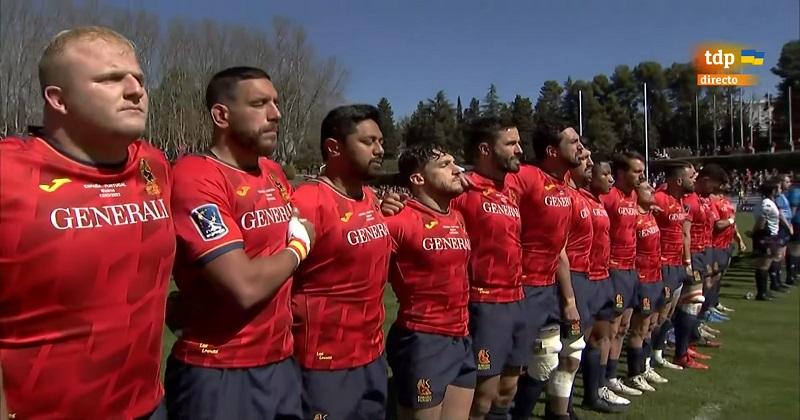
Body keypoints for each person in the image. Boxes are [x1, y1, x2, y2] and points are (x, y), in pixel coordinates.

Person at [0, 26, 174, 419]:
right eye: (111, 79)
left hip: (149, 406)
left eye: (139, 79)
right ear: (58, 100)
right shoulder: (8, 172)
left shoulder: (155, 166)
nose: (136, 90)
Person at [166, 67, 314, 419]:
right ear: (221, 115)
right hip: (221, 369)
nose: (276, 114)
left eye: (276, 103)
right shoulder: (196, 176)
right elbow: (243, 285)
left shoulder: (274, 173)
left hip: (281, 363)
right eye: (260, 103)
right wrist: (300, 247)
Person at [291, 104, 392, 419]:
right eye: (369, 141)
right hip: (323, 365)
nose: (380, 149)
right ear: (333, 147)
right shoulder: (308, 201)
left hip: (373, 356)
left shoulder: (371, 198)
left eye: (380, 141)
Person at [385, 144, 475, 420]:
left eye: (455, 162)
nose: (457, 169)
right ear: (417, 179)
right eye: (446, 164)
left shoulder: (457, 217)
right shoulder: (397, 219)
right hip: (422, 339)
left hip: (462, 336)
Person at [451, 117, 527, 420]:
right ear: (485, 149)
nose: (519, 149)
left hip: (518, 300)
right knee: (481, 396)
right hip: (485, 304)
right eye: (510, 144)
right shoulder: (462, 189)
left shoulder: (510, 189)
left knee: (508, 389)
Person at [510, 123, 583, 420]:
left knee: (544, 362)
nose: (581, 147)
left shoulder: (565, 187)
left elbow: (560, 250)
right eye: (574, 141)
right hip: (518, 289)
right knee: (507, 370)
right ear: (553, 151)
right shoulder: (526, 177)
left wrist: (569, 301)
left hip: (548, 289)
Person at [580, 161, 632, 411]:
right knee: (575, 345)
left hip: (604, 277)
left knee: (600, 337)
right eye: (606, 174)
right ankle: (562, 404)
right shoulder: (580, 199)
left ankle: (595, 391)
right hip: (586, 278)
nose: (610, 179)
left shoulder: (599, 201)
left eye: (612, 174)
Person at [601, 152, 646, 397]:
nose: (641, 176)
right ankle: (603, 379)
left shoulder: (634, 195)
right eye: (636, 171)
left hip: (631, 269)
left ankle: (612, 376)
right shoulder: (609, 197)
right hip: (614, 269)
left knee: (623, 326)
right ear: (621, 173)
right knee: (611, 327)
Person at [651, 161, 695, 370]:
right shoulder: (659, 198)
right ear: (679, 180)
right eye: (689, 177)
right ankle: (647, 359)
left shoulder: (680, 202)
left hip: (677, 265)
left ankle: (657, 353)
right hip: (663, 265)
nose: (692, 181)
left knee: (668, 313)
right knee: (657, 314)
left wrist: (686, 262)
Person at [627, 181, 669, 391]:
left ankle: (645, 366)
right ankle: (634, 373)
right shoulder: (632, 217)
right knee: (639, 328)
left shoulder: (651, 214)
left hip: (656, 277)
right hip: (642, 279)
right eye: (647, 189)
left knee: (652, 324)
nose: (653, 191)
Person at [752, 179, 785, 300]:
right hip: (766, 236)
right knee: (763, 264)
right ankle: (761, 293)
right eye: (779, 188)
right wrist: (755, 233)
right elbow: (761, 222)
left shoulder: (769, 202)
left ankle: (764, 291)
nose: (780, 190)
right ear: (773, 190)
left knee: (768, 262)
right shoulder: (767, 203)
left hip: (770, 235)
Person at [787, 174, 800, 285]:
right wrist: (789, 224)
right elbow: (793, 210)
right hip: (796, 223)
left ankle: (795, 272)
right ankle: (791, 275)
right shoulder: (796, 192)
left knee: (797, 249)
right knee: (795, 248)